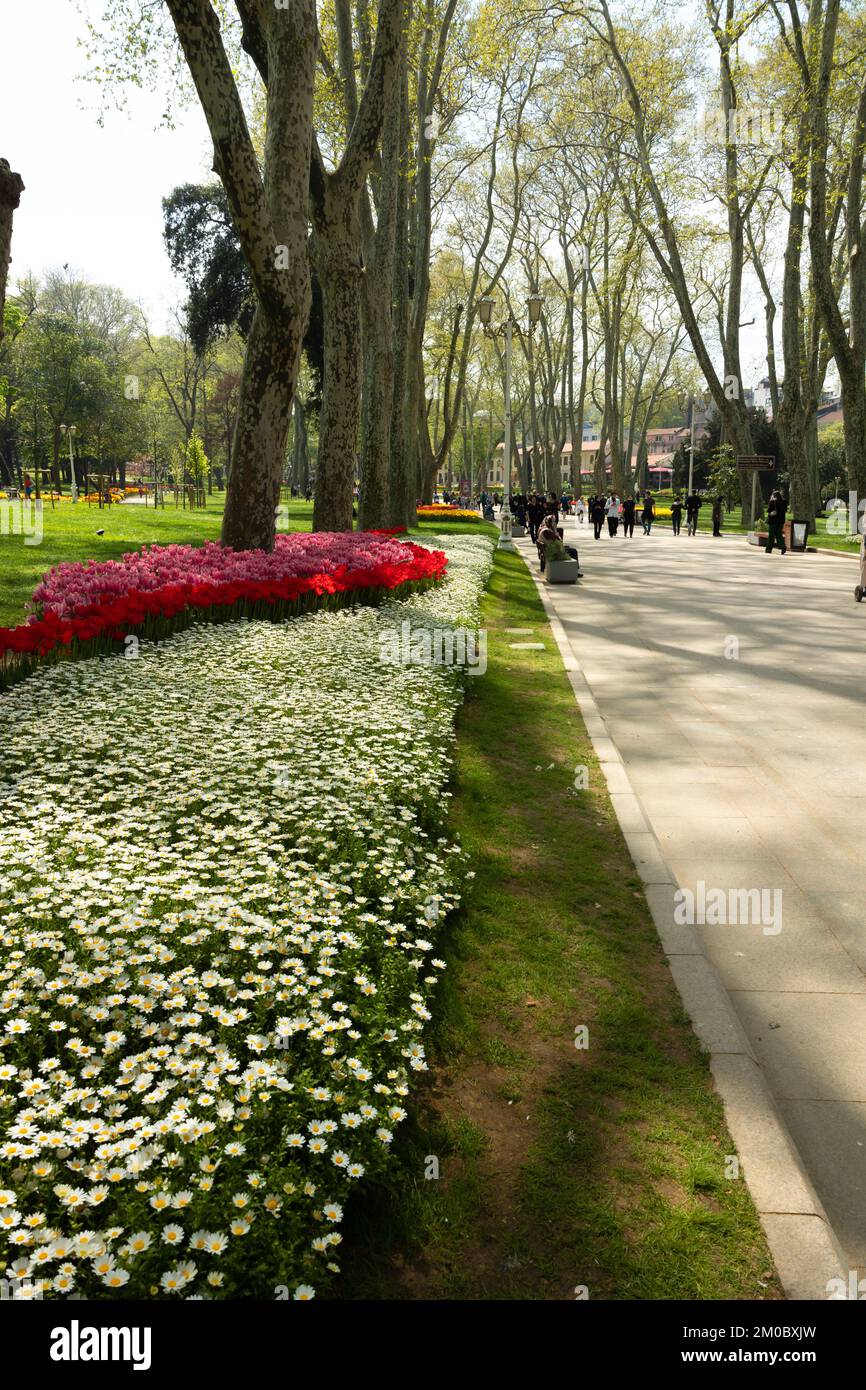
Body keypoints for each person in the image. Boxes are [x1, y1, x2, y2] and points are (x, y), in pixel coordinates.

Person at [765, 489, 788, 554]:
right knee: (779, 535)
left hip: (773, 521)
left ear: (774, 496)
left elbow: (769, 510)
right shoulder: (784, 502)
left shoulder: (772, 502)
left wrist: (770, 500)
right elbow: (785, 510)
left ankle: (768, 549)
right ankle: (783, 547)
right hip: (781, 521)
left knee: (771, 536)